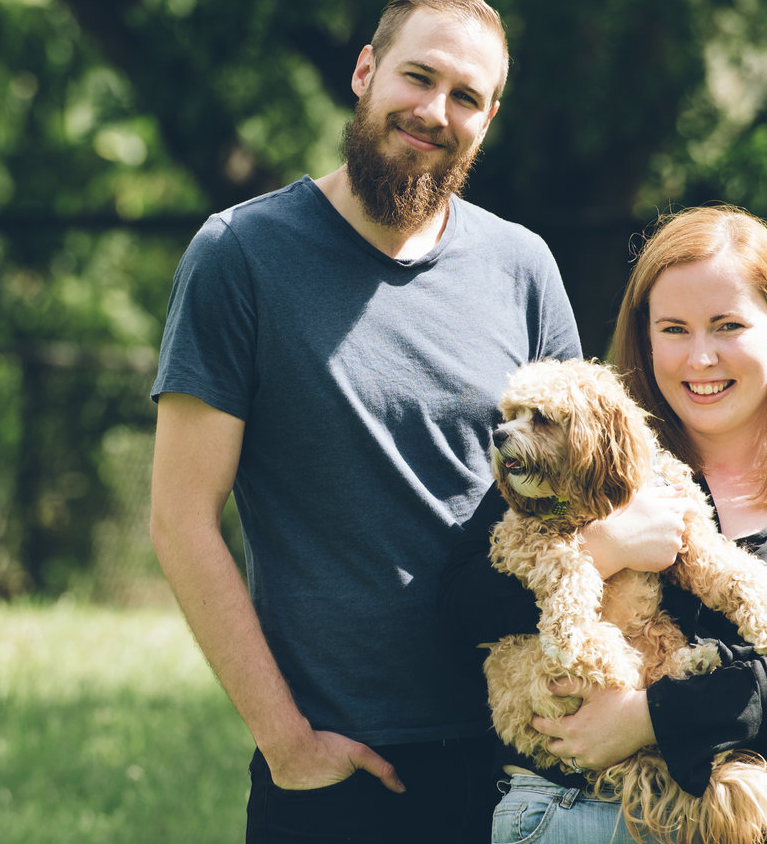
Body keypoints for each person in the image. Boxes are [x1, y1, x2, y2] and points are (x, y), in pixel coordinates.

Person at [148, 2, 586, 841]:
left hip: (529, 752)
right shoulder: (239, 255)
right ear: (364, 73)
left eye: (466, 95)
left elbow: (586, 492)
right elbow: (180, 517)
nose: (434, 110)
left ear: (487, 122)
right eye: (418, 76)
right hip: (342, 768)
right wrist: (287, 744)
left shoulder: (522, 266)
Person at [440, 205, 767, 844]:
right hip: (584, 819)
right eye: (675, 329)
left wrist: (649, 717)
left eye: (728, 325)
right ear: (647, 337)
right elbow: (458, 608)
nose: (701, 357)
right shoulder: (584, 459)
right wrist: (603, 548)